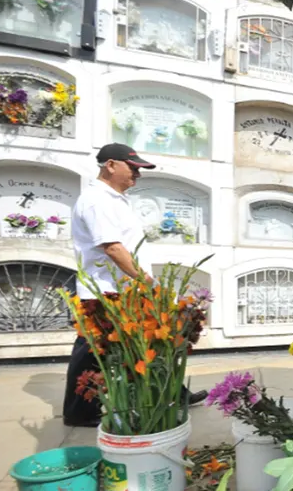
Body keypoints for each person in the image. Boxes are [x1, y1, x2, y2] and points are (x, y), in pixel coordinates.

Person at [64, 144, 206, 427]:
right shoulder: (96, 200)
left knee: (147, 342)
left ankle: (174, 394)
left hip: (124, 288)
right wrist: (146, 281)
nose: (137, 175)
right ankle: (78, 413)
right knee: (92, 350)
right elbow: (112, 248)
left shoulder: (114, 199)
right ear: (110, 165)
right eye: (133, 168)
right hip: (105, 290)